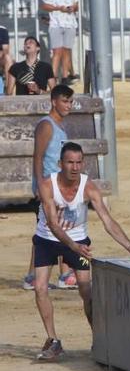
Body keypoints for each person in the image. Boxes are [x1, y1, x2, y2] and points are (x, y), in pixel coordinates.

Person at [32, 141, 130, 361]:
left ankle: (100, 338)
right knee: (39, 288)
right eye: (69, 163)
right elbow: (54, 225)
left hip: (78, 241)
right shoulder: (47, 186)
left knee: (86, 291)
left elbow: (107, 220)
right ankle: (53, 340)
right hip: (48, 240)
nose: (74, 168)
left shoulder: (88, 186)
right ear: (60, 164)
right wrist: (74, 247)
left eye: (78, 162)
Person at [22, 85, 71, 291]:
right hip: (48, 188)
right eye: (64, 101)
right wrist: (40, 185)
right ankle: (59, 274)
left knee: (58, 228)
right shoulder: (47, 125)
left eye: (70, 101)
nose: (69, 106)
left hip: (58, 187)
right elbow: (38, 156)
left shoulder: (59, 126)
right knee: (53, 230)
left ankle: (59, 274)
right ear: (53, 101)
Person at [41, 0, 79, 86]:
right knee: (57, 51)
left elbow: (77, 5)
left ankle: (65, 77)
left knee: (67, 50)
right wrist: (58, 8)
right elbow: (45, 6)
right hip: (56, 24)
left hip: (70, 24)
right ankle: (53, 77)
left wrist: (73, 8)